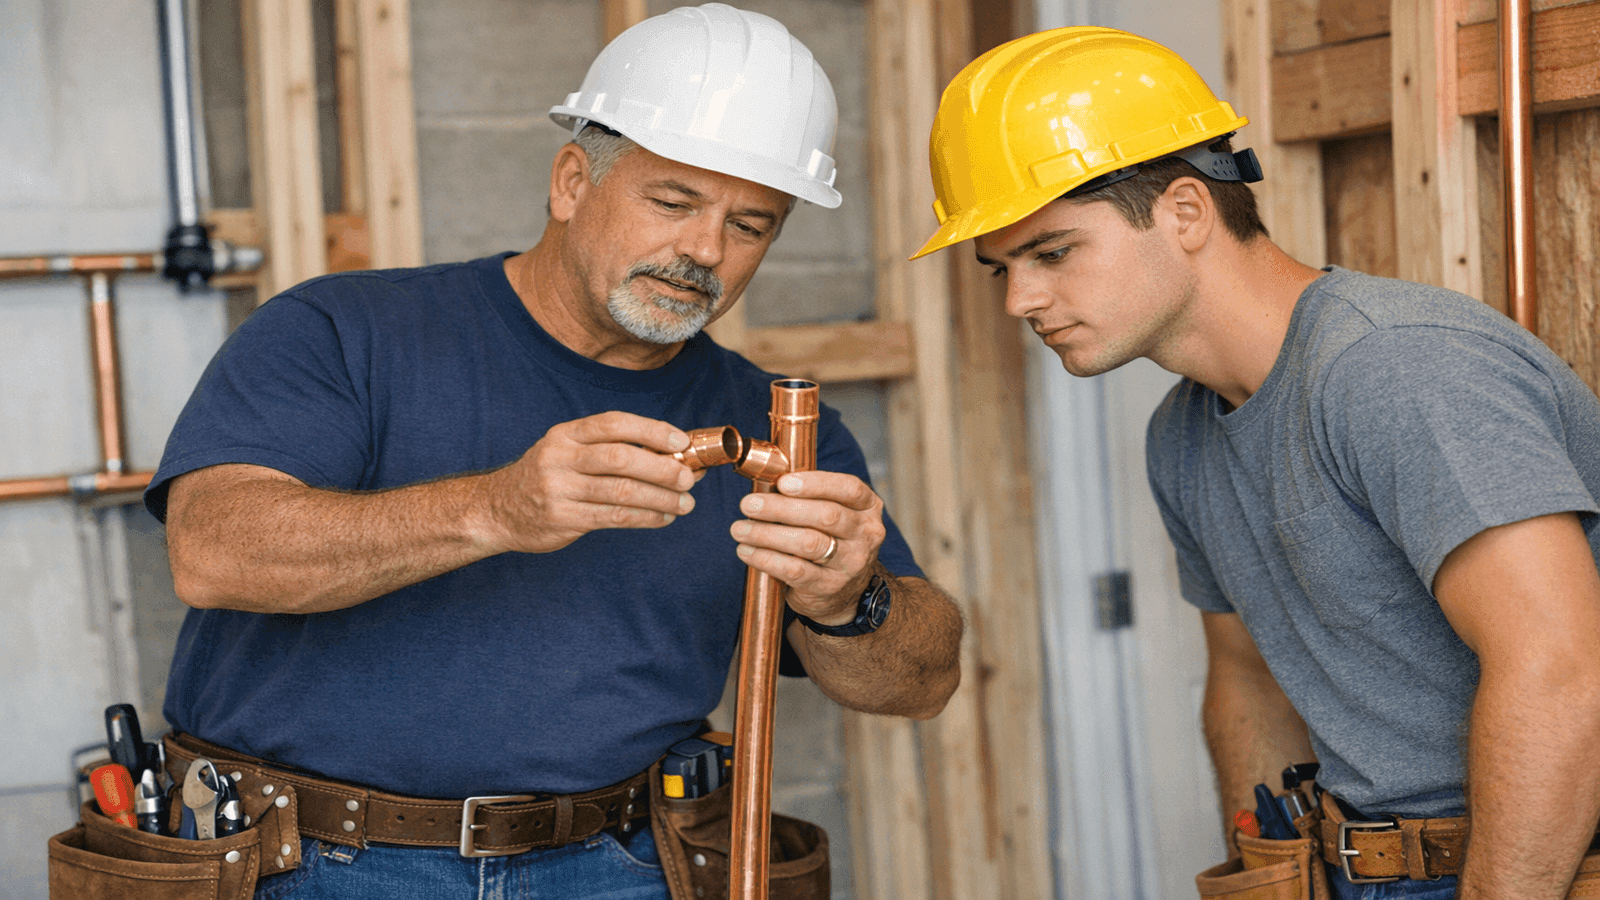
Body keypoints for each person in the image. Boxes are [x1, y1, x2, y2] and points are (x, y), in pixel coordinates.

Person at [144, 5, 963, 897]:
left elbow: (919, 684)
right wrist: (494, 509)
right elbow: (213, 552)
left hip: (622, 864)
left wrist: (853, 598)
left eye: (750, 225)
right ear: (573, 181)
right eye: (673, 201)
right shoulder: (343, 330)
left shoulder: (775, 425)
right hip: (314, 862)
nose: (703, 250)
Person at [914, 26, 1600, 900]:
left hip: (1538, 862)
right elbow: (1246, 679)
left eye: (1052, 253)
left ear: (1188, 212)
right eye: (1000, 268)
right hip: (1354, 866)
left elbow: (1559, 668)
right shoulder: (1181, 436)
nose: (1022, 300)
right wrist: (1267, 877)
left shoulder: (1394, 367)